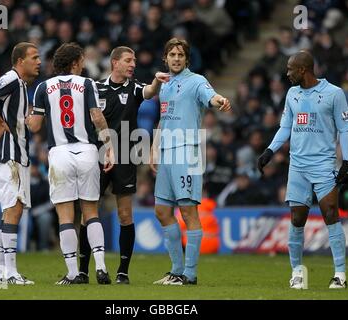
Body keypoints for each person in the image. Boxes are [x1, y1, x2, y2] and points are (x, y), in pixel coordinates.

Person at [257, 50, 348, 290]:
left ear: (303, 70)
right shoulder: (292, 94)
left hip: (323, 164)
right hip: (298, 166)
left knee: (330, 213)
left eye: (290, 69)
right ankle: (297, 273)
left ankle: (340, 274)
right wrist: (269, 151)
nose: (286, 73)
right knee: (297, 218)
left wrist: (347, 163)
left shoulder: (334, 94)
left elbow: (345, 130)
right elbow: (285, 127)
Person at [77, 46, 169, 285]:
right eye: (128, 60)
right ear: (114, 62)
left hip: (126, 156)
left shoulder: (135, 87)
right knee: (88, 214)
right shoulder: (95, 88)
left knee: (125, 214)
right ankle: (83, 271)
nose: (133, 64)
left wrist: (157, 82)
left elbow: (148, 92)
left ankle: (123, 272)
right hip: (98, 155)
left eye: (135, 61)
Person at [26, 42, 115, 285]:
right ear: (75, 62)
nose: (84, 64)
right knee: (91, 212)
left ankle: (73, 273)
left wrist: (24, 116)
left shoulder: (43, 87)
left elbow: (34, 126)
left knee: (65, 216)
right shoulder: (87, 84)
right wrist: (108, 147)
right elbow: (97, 117)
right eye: (82, 60)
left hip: (60, 154)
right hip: (86, 151)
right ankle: (101, 268)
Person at [151, 38, 231, 285]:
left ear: (187, 59)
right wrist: (155, 147)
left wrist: (220, 101)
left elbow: (211, 95)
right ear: (166, 58)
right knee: (162, 211)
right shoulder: (164, 84)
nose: (176, 58)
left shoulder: (196, 81)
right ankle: (176, 271)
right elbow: (164, 119)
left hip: (187, 151)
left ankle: (190, 274)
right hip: (166, 152)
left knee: (188, 211)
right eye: (172, 54)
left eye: (180, 55)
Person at [0, 42, 41, 286]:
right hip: (7, 153)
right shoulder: (12, 78)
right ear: (20, 61)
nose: (39, 61)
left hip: (17, 155)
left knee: (13, 210)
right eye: (34, 57)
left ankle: (2, 269)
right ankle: (11, 273)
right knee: (13, 209)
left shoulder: (23, 86)